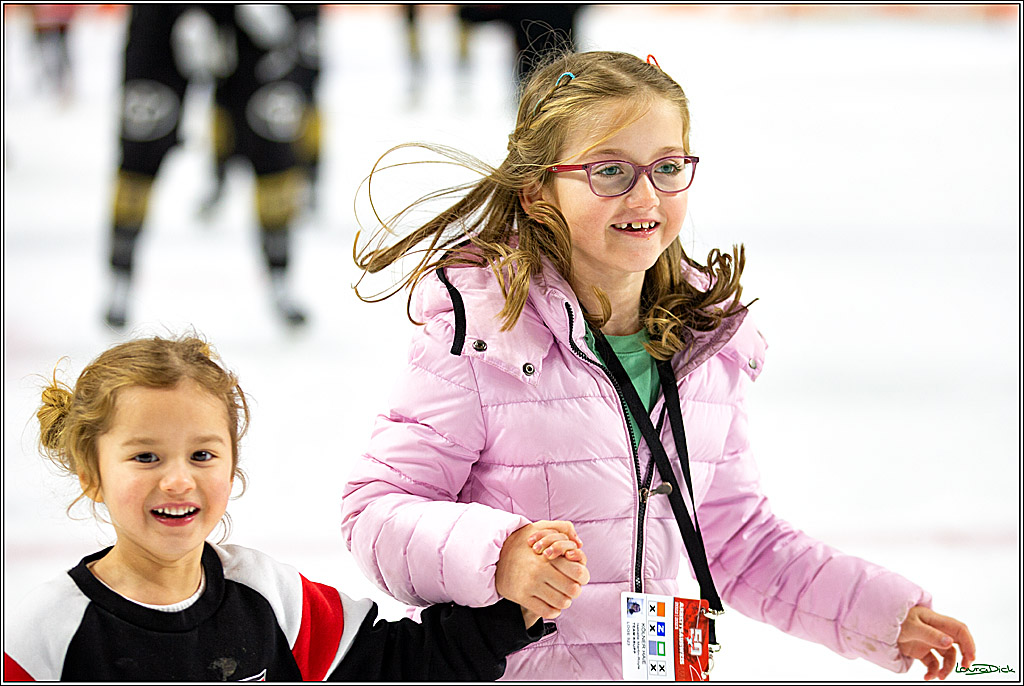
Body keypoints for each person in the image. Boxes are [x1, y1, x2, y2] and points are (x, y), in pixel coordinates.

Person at [341, 50, 976, 680]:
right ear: (537, 193)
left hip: (668, 665)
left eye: (667, 167)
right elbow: (377, 511)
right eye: (610, 171)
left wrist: (881, 617)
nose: (645, 194)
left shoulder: (705, 350)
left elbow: (735, 540)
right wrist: (498, 554)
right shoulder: (483, 341)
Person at [3, 334, 590, 681]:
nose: (178, 480)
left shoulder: (270, 598)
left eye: (203, 454)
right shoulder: (45, 634)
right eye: (146, 458)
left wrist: (508, 610)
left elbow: (395, 667)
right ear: (92, 475)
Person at [104, 5, 310, 329]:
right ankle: (119, 279)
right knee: (141, 144)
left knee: (272, 145)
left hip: (254, 21)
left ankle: (282, 280)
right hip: (163, 16)